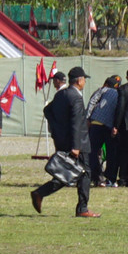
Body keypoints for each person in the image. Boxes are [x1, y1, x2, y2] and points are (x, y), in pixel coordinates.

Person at [31, 69, 99, 217]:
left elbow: (47, 110)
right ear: (79, 80)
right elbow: (76, 123)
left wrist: (58, 130)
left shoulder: (61, 94)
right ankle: (82, 209)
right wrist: (76, 146)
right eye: (84, 80)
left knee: (69, 173)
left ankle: (40, 193)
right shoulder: (75, 97)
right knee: (84, 173)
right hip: (78, 143)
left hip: (64, 141)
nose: (85, 82)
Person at [85, 74, 119, 185]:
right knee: (111, 153)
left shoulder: (102, 90)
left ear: (106, 84)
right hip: (110, 126)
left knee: (92, 152)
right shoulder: (119, 93)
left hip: (97, 123)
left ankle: (96, 176)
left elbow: (92, 102)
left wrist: (87, 118)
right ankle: (110, 177)